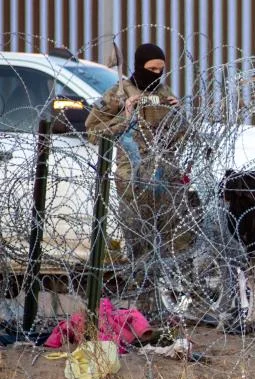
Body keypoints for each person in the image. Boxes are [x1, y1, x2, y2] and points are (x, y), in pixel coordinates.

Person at [85, 43, 193, 316]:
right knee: (139, 244)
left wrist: (179, 115)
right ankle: (145, 307)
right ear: (138, 66)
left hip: (165, 178)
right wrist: (125, 119)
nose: (156, 75)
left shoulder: (164, 93)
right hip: (132, 181)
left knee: (172, 243)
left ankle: (176, 306)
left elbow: (182, 136)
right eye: (151, 69)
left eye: (161, 69)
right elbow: (93, 132)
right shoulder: (118, 95)